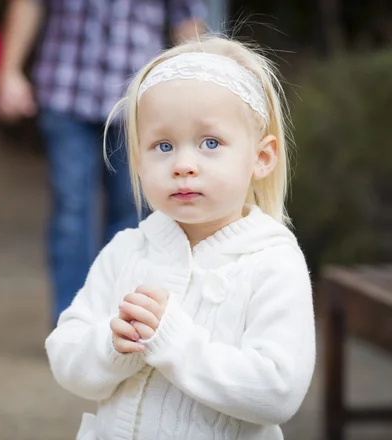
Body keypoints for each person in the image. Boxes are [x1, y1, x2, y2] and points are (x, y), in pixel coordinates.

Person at [45, 35, 316, 439]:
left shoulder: (271, 260)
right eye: (163, 145)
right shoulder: (127, 250)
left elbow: (278, 392)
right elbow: (66, 355)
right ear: (137, 162)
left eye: (211, 143)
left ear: (261, 157)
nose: (183, 164)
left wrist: (173, 341)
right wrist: (111, 346)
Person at [0, 0, 207, 326]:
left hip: (137, 104)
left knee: (133, 213)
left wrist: (198, 91)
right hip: (66, 93)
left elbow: (187, 22)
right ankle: (72, 321)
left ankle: (119, 317)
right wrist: (8, 71)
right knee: (71, 211)